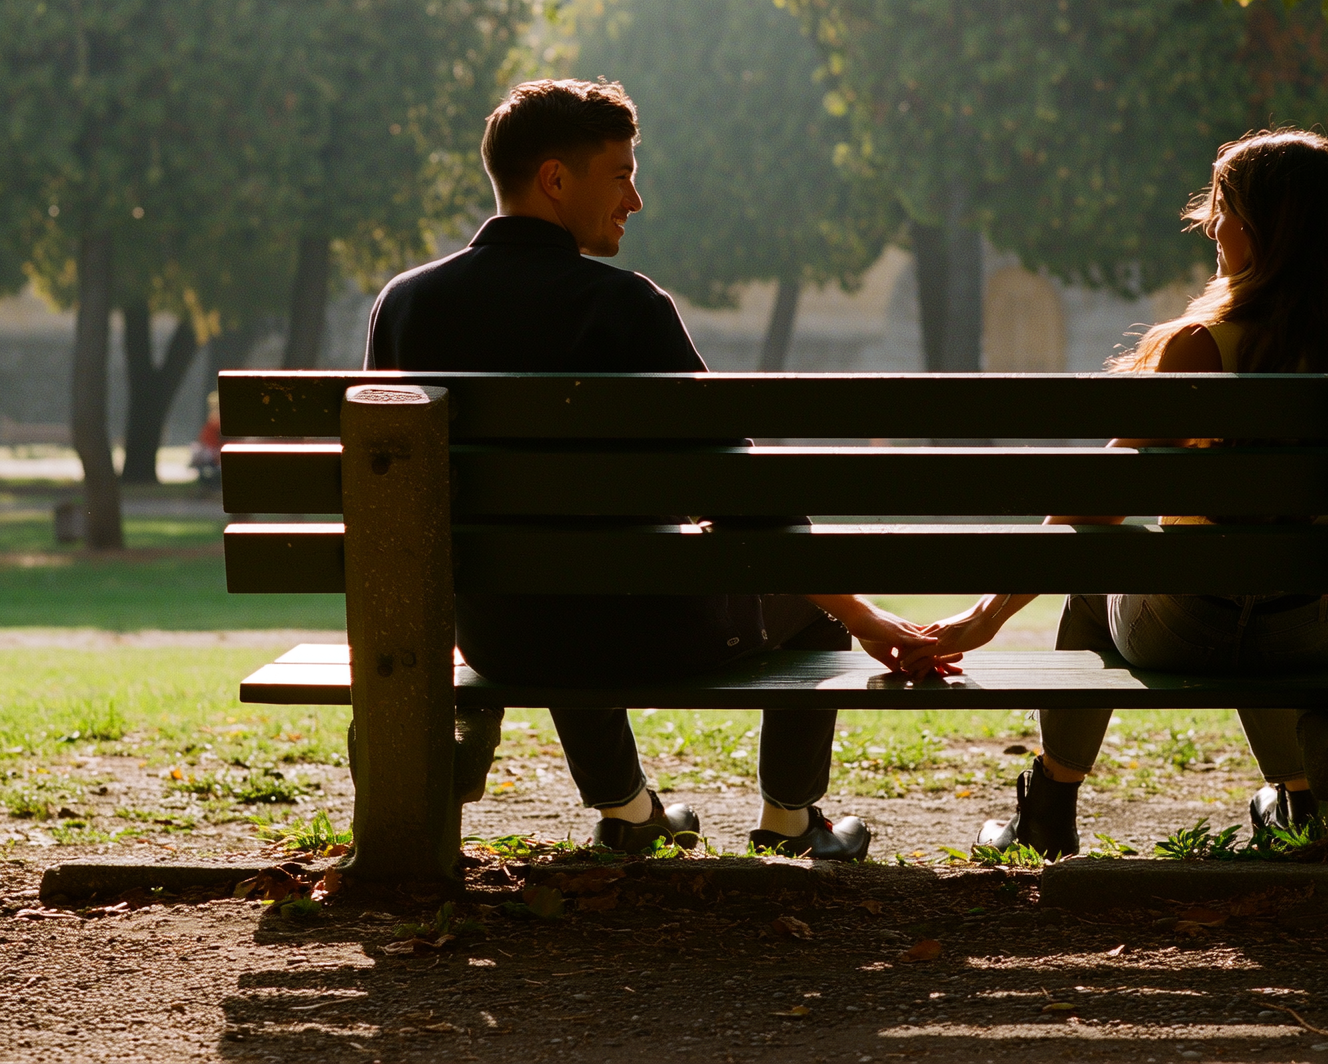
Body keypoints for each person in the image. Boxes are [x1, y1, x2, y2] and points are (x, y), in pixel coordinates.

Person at [364, 77, 938, 860]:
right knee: (813, 610)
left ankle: (630, 813)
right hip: (645, 633)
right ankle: (792, 821)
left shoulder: (404, 305)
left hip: (497, 635)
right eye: (622, 174)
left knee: (558, 573)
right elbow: (744, 495)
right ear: (556, 180)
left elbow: (390, 505)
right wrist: (866, 615)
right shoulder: (625, 307)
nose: (636, 200)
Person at [920, 128, 1328, 858]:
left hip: (1184, 630)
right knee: (1270, 586)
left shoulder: (1202, 346)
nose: (1209, 222)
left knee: (1114, 573)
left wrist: (988, 615)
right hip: (1308, 636)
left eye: (1223, 204)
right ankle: (1296, 802)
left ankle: (1050, 804)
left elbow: (1099, 500)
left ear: (1268, 227)